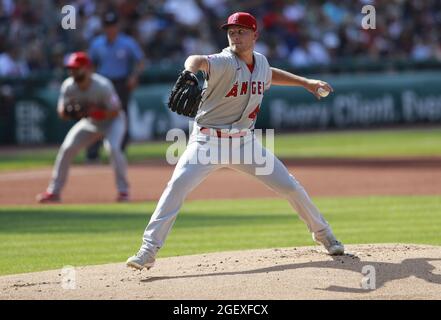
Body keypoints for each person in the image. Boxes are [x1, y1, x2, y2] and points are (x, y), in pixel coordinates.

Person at [126, 12, 344, 270]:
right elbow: (197, 59)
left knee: (290, 187)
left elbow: (268, 73)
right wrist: (189, 71)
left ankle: (324, 235)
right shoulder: (223, 62)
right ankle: (148, 250)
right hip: (207, 143)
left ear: (255, 35)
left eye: (241, 31)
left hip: (245, 144)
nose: (235, 36)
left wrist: (305, 83)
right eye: (231, 31)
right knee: (176, 188)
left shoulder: (260, 62)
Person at [36, 52, 130, 203]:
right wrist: (71, 112)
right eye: (71, 68)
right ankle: (54, 192)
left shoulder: (102, 85)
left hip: (113, 122)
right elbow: (62, 112)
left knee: (113, 148)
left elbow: (116, 110)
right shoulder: (68, 86)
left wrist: (96, 112)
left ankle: (123, 191)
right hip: (90, 123)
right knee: (67, 149)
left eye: (77, 68)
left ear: (87, 69)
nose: (73, 71)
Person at [87, 11, 145, 161]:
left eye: (112, 25)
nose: (110, 29)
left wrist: (134, 76)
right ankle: (93, 152)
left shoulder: (127, 42)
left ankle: (120, 149)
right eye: (107, 26)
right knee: (97, 115)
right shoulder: (97, 43)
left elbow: (140, 62)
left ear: (117, 26)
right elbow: (90, 64)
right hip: (102, 83)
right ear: (103, 27)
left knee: (121, 116)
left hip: (121, 83)